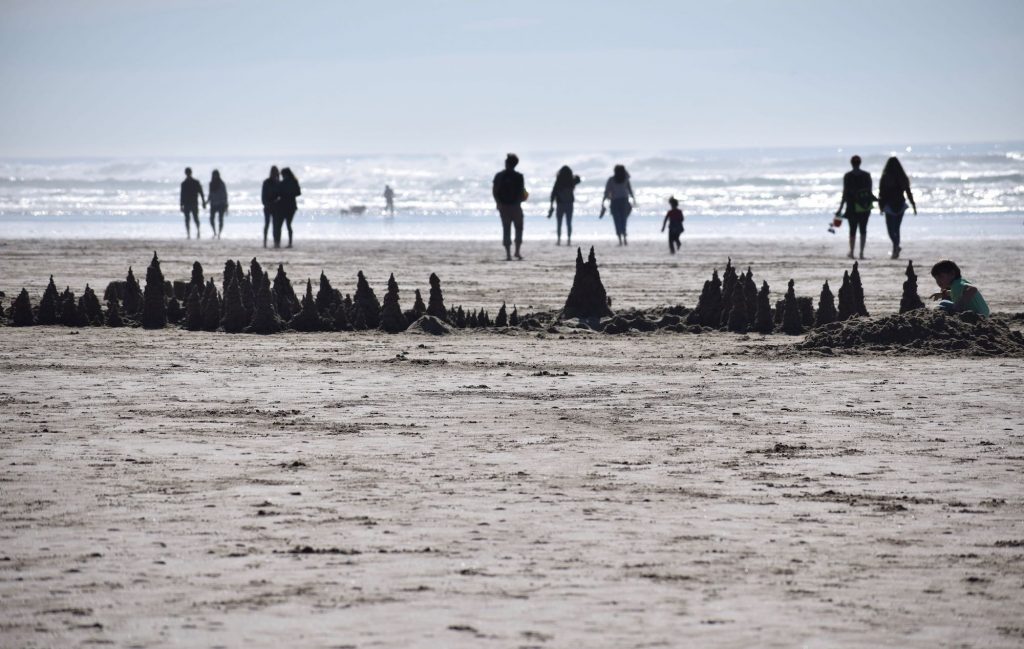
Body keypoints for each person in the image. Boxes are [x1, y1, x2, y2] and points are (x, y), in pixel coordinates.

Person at [835, 155, 875, 260]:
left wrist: (840, 208)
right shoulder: (867, 175)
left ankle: (852, 253)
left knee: (852, 230)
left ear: (851, 163)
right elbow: (870, 192)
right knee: (863, 230)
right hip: (865, 207)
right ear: (860, 163)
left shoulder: (848, 176)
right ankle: (861, 253)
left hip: (851, 207)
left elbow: (845, 193)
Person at [878, 156, 917, 260]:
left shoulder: (885, 177)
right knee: (897, 229)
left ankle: (896, 247)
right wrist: (913, 205)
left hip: (889, 205)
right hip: (900, 204)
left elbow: (881, 194)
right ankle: (896, 248)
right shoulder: (902, 176)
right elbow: (908, 192)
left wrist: (881, 207)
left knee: (890, 229)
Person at [492, 153, 527, 260]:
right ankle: (517, 252)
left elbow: (494, 191)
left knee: (506, 229)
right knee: (519, 228)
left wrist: (498, 202)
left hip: (504, 206)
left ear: (507, 163)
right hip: (516, 206)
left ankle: (508, 254)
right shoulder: (519, 176)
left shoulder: (499, 176)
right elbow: (522, 193)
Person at [601, 164, 635, 245]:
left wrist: (603, 202)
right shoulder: (625, 179)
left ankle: (620, 239)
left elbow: (606, 192)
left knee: (617, 220)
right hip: (624, 201)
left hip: (615, 201)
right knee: (624, 219)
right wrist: (633, 199)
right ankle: (624, 238)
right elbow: (630, 189)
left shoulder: (611, 179)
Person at [547, 166, 580, 246]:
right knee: (569, 222)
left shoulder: (558, 181)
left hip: (560, 204)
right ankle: (569, 240)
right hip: (569, 204)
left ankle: (558, 240)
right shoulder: (571, 181)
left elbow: (553, 194)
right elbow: (578, 180)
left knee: (559, 223)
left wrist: (551, 205)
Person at [272, 167, 301, 248]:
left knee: (280, 225)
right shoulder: (294, 181)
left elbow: (278, 193)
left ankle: (278, 243)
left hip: (283, 206)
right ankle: (290, 242)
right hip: (291, 206)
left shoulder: (283, 183)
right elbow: (298, 192)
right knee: (288, 225)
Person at [179, 167, 205, 239]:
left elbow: (182, 195)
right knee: (193, 218)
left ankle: (191, 233)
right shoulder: (194, 182)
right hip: (192, 203)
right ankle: (195, 232)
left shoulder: (185, 183)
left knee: (190, 219)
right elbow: (201, 193)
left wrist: (181, 205)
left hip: (190, 203)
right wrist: (203, 202)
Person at [261, 166, 280, 248]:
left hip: (275, 207)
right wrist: (266, 203)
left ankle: (276, 242)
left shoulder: (278, 182)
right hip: (268, 206)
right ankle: (265, 242)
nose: (275, 174)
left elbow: (280, 195)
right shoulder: (267, 182)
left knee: (275, 225)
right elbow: (263, 195)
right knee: (268, 224)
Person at [207, 170, 228, 239]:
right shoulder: (211, 184)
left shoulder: (221, 184)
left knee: (220, 219)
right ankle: (214, 232)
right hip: (213, 204)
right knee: (211, 219)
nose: (215, 176)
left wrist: (226, 205)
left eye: (216, 175)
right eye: (214, 175)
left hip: (221, 204)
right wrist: (207, 202)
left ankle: (219, 233)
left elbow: (225, 194)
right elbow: (210, 194)